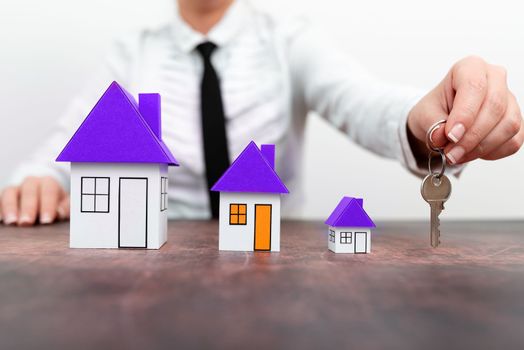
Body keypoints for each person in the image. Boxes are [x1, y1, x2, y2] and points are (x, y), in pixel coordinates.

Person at [1, 0, 522, 226]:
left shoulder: (288, 40)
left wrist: (424, 122)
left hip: (265, 261)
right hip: (154, 265)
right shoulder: (131, 53)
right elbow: (60, 149)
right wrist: (35, 182)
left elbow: (361, 100)